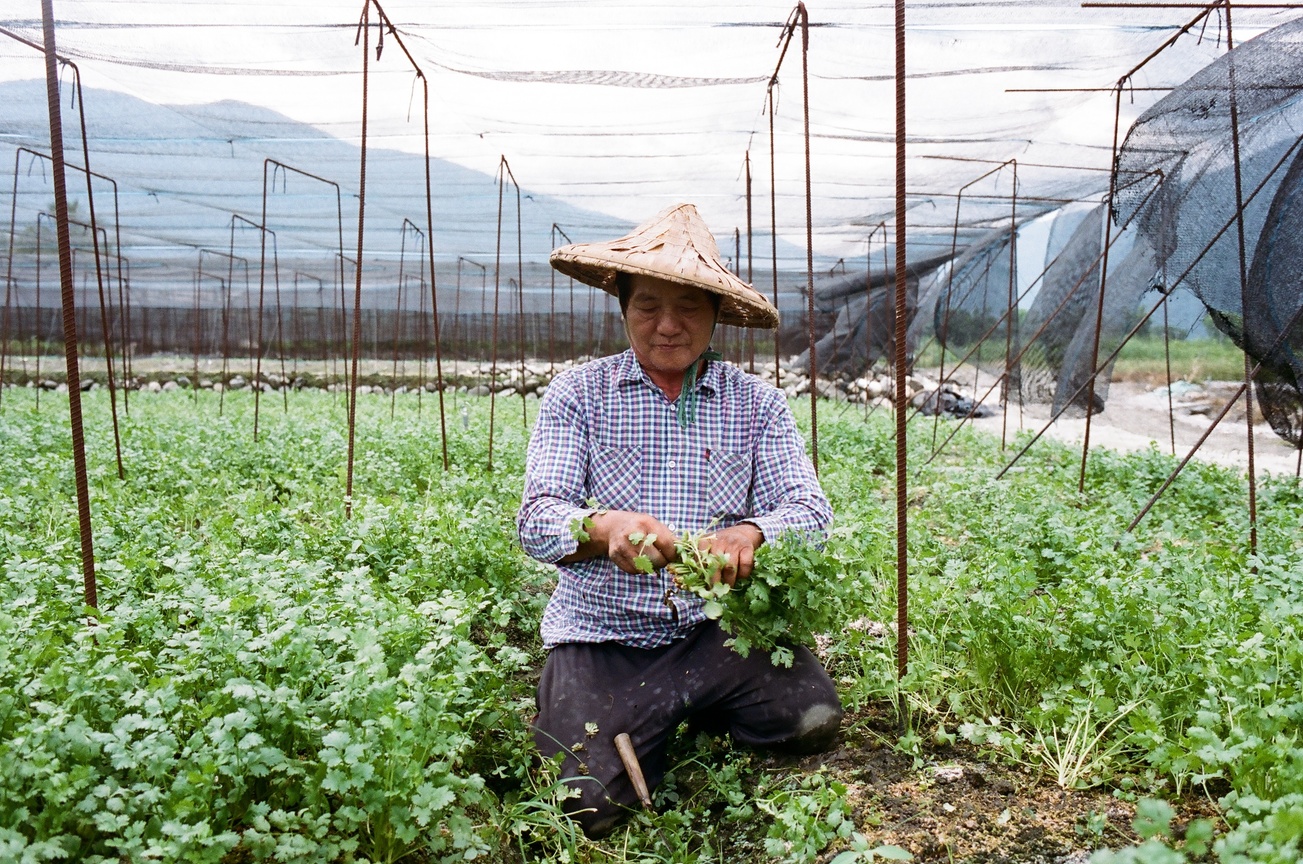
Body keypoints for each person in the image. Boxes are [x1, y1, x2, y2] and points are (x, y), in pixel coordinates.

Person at [516, 203, 842, 838]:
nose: (667, 325)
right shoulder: (577, 395)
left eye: (688, 308)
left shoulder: (757, 404)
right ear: (623, 306)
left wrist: (751, 534)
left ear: (716, 315)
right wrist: (603, 529)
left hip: (714, 631)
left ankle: (660, 713)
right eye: (648, 307)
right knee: (587, 802)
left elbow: (810, 512)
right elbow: (537, 517)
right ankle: (653, 712)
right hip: (599, 633)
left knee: (812, 715)